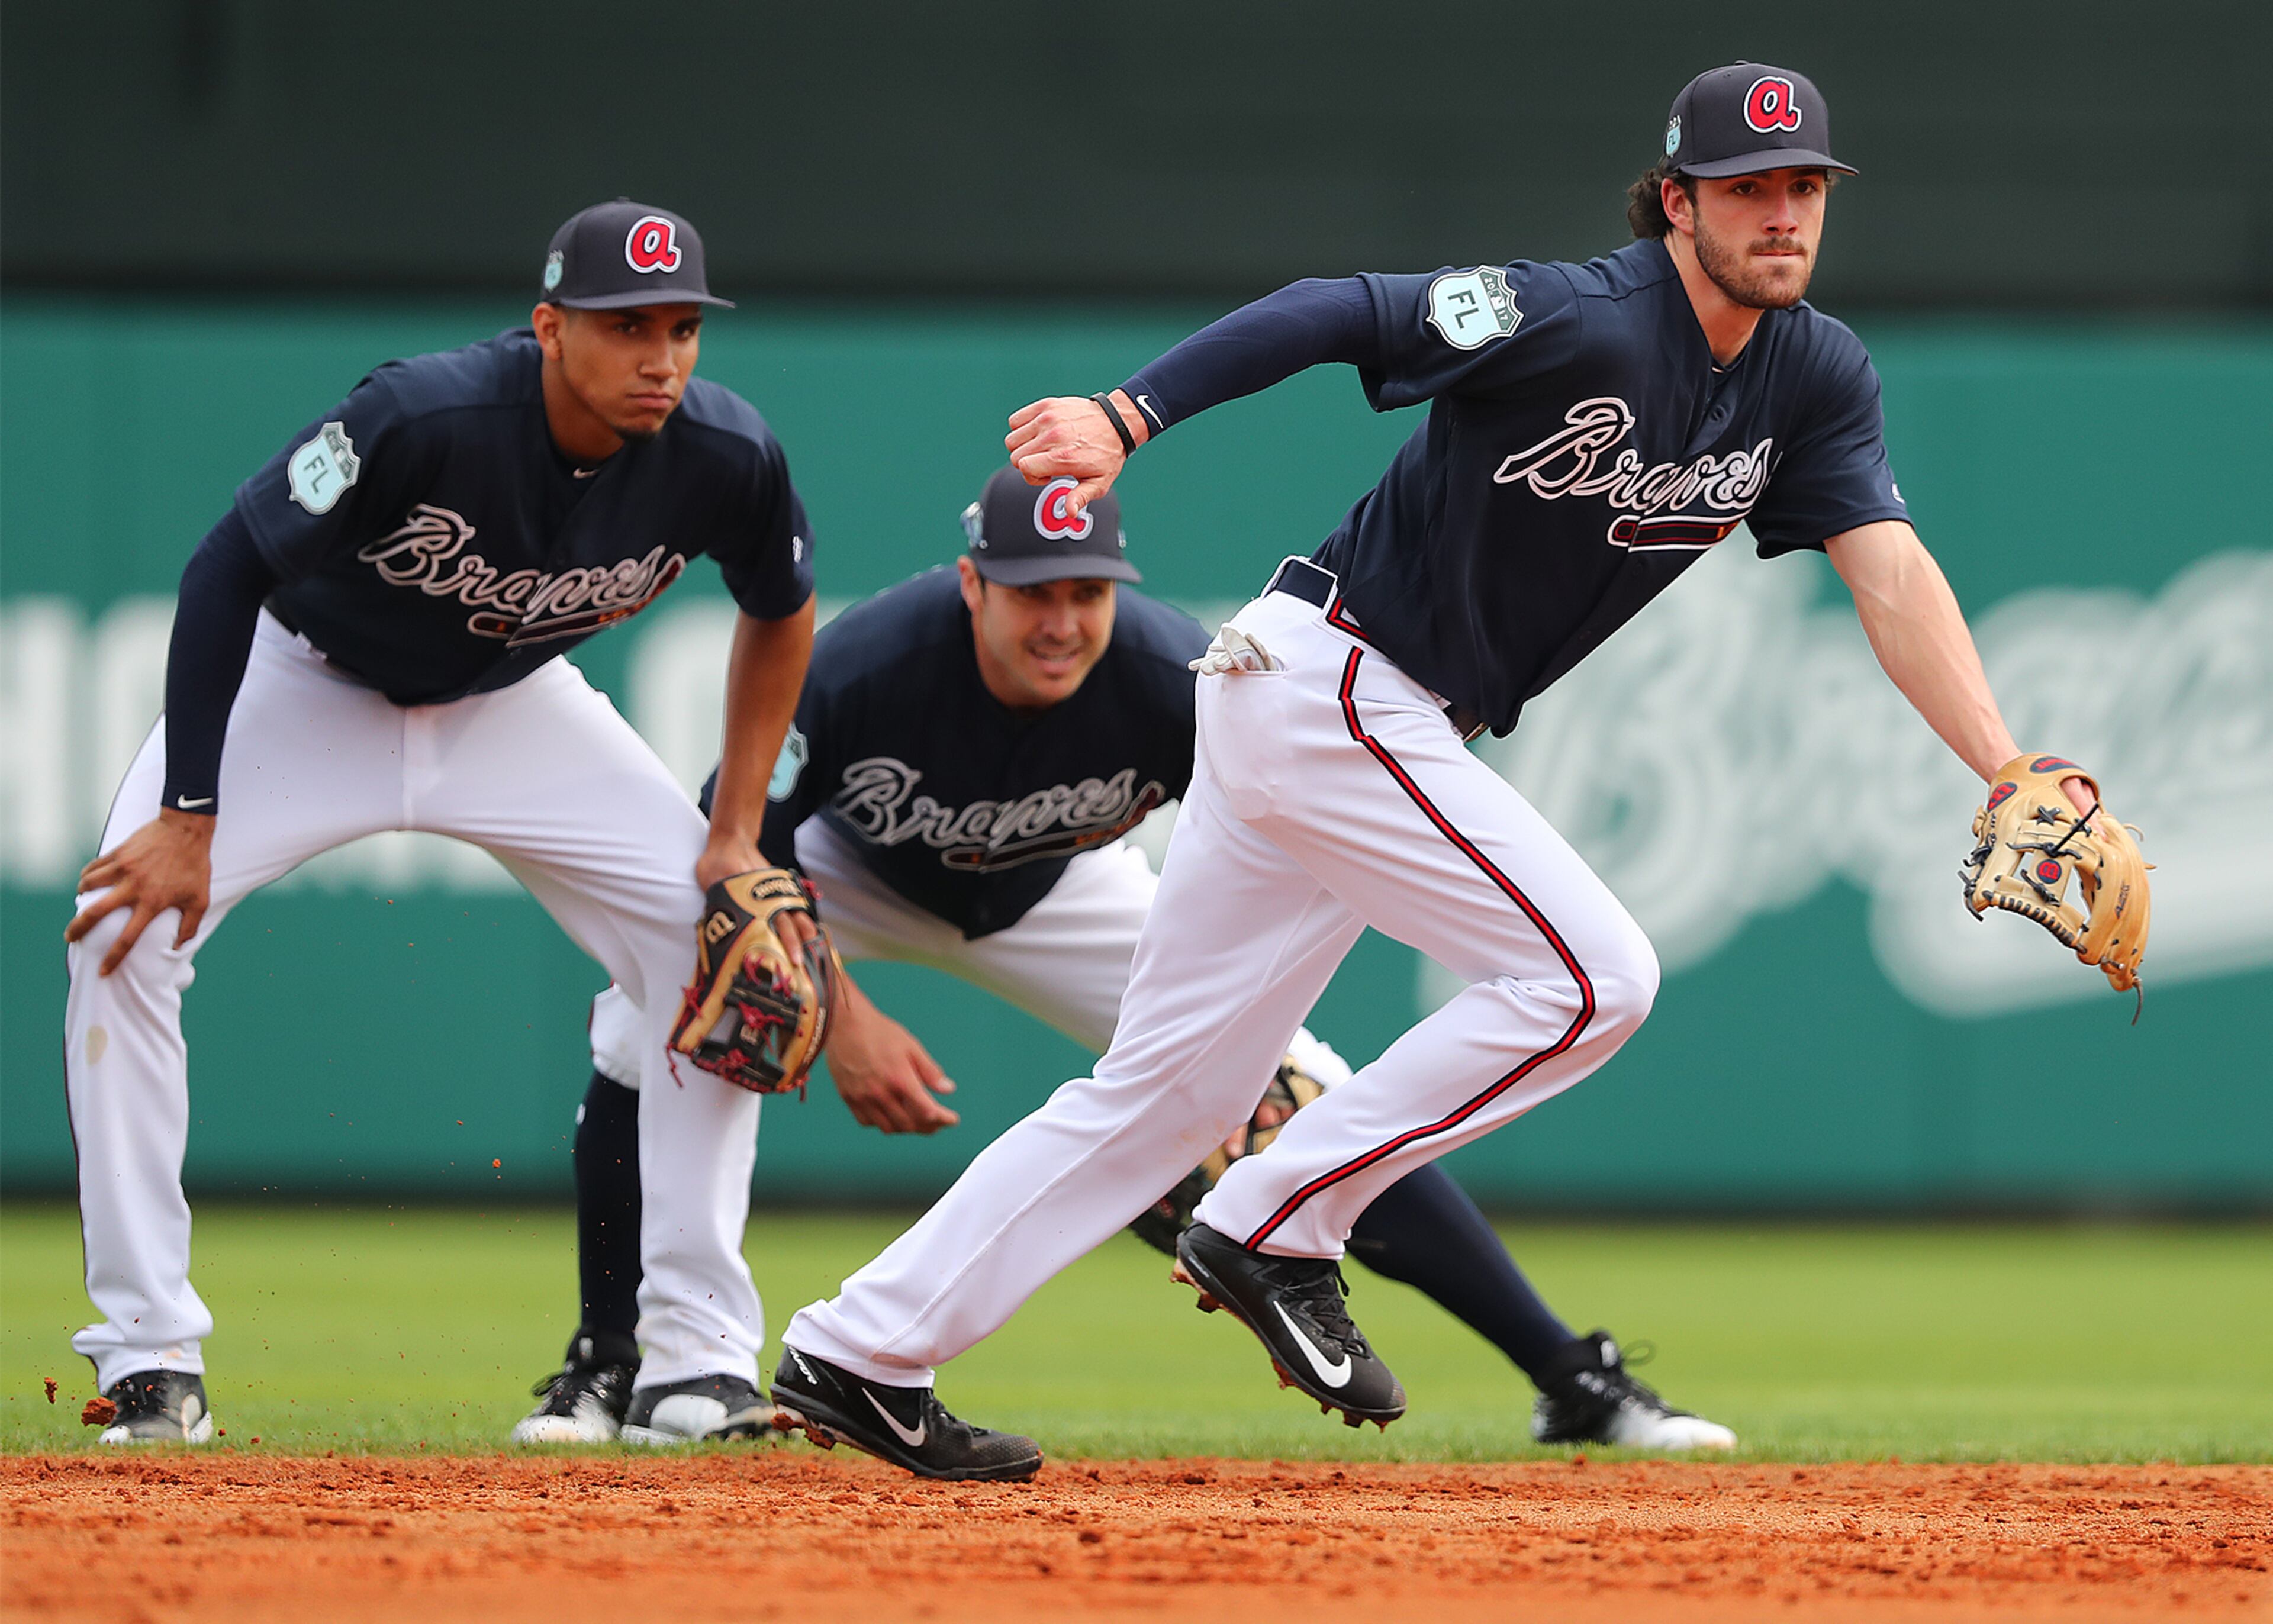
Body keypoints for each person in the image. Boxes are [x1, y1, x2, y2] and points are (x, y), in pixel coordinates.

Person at [767, 62, 2107, 1482]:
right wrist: (1126, 414)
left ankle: (862, 1348)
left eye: (1804, 188)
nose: (1781, 213)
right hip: (1338, 685)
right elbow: (1339, 308)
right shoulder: (1573, 312)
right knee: (1592, 979)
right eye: (1746, 187)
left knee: (1162, 1096)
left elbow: (1887, 568)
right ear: (1676, 201)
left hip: (1342, 712)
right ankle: (1278, 1219)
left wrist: (2005, 762)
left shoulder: (1814, 372)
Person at [514, 467, 1734, 1456]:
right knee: (673, 1000)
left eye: (1085, 589)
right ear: (970, 584)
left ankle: (1568, 1377)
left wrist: (1194, 1090)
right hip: (853, 882)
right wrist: (840, 1011)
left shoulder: (1167, 676)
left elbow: (1278, 845)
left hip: (1061, 890)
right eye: (1031, 590)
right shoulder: (869, 665)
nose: (1061, 620)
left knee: (1285, 1091)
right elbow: (738, 864)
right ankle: (632, 1364)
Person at [61, 201, 816, 1444]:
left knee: (717, 940)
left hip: (511, 706)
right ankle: (149, 1356)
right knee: (119, 935)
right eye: (627, 327)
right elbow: (225, 565)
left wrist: (735, 828)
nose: (661, 357)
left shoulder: (727, 454)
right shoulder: (420, 416)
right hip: (306, 684)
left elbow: (780, 609)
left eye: (681, 327)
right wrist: (189, 808)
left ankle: (695, 1361)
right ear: (549, 328)